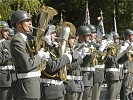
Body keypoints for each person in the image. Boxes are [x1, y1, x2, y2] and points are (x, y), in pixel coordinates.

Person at [10, 10, 48, 100]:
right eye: (27, 21)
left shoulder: (28, 38)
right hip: (26, 87)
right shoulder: (17, 40)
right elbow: (27, 65)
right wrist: (39, 56)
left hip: (34, 85)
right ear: (19, 23)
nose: (30, 23)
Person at [40, 24, 72, 100]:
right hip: (49, 90)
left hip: (59, 89)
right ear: (47, 34)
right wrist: (66, 57)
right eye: (53, 33)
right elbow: (51, 67)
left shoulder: (54, 49)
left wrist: (61, 50)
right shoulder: (43, 49)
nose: (55, 35)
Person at [64, 33, 84, 100]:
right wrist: (80, 58)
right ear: (67, 39)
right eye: (72, 39)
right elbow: (69, 67)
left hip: (78, 84)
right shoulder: (65, 51)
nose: (74, 40)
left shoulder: (73, 49)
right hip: (70, 85)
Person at [0, 21, 14, 100]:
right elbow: (1, 59)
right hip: (2, 79)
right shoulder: (7, 44)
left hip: (12, 77)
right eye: (5, 31)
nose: (7, 33)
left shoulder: (8, 43)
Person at [119, 29, 133, 100]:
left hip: (131, 66)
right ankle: (123, 97)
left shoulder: (131, 44)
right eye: (132, 35)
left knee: (129, 84)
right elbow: (123, 56)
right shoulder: (124, 44)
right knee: (125, 85)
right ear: (128, 36)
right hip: (126, 67)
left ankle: (128, 95)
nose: (132, 37)